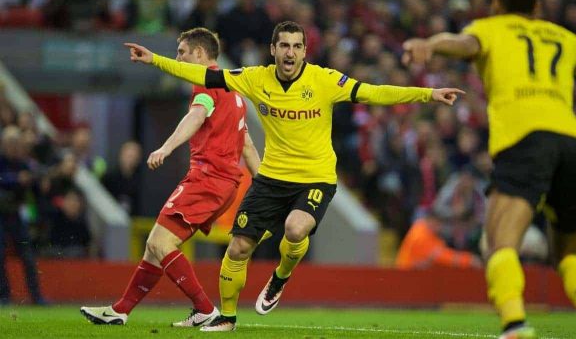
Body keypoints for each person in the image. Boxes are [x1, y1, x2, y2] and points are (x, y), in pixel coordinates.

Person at [124, 20, 464, 331]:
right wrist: (154, 59)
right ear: (273, 51)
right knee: (239, 247)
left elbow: (374, 92)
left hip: (316, 177)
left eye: (297, 46)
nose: (290, 52)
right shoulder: (256, 78)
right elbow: (204, 76)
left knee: (295, 227)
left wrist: (428, 94)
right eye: (284, 46)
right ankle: (226, 318)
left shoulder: (325, 81)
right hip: (272, 177)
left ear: (304, 50)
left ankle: (280, 276)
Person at [402, 0, 576, 339]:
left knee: (498, 242)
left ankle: (515, 325)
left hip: (525, 140)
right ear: (537, 7)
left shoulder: (490, 29)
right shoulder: (565, 38)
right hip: (575, 144)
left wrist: (430, 44)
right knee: (570, 254)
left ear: (495, 3)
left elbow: (463, 44)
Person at [81, 27, 261, 327]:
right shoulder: (236, 93)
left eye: (182, 53)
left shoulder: (206, 86)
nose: (178, 59)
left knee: (161, 244)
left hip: (207, 179)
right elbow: (249, 145)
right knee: (155, 243)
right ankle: (121, 310)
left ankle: (205, 309)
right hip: (224, 184)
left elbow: (196, 116)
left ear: (200, 55)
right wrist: (267, 186)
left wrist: (165, 147)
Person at [0, 126, 46, 305]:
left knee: (27, 256)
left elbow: (35, 182)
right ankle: (4, 296)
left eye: (15, 143)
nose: (12, 146)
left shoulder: (25, 163)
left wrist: (39, 184)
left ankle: (36, 296)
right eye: (9, 142)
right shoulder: (4, 162)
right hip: (1, 214)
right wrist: (16, 179)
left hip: (16, 213)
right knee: (0, 255)